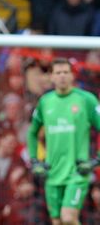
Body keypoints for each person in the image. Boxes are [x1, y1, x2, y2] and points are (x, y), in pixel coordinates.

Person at [27, 57, 100, 225]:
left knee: (68, 218)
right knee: (57, 221)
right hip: (52, 172)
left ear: (72, 76)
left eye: (66, 72)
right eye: (58, 72)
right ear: (51, 77)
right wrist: (34, 161)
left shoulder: (86, 99)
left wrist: (96, 160)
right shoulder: (45, 102)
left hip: (77, 171)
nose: (62, 76)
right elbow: (32, 133)